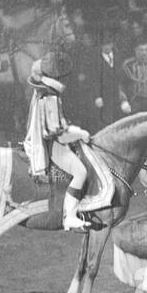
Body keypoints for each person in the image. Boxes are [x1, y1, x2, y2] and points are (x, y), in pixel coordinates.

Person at [22, 56, 108, 231]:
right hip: (52, 145)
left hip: (49, 140)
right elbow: (59, 134)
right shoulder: (50, 96)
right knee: (80, 172)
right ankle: (69, 216)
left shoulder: (43, 93)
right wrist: (81, 133)